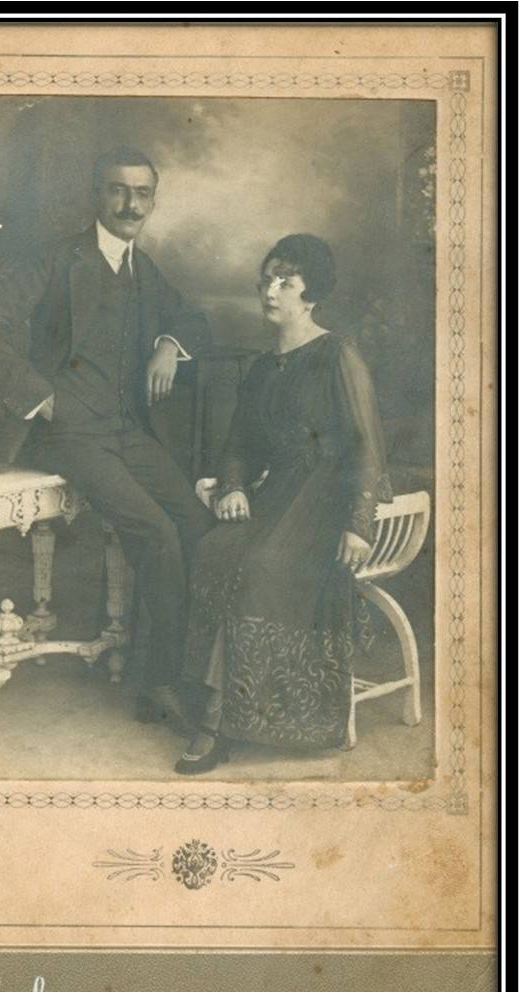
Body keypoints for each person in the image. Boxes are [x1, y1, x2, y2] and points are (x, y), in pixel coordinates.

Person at [0, 146, 215, 732]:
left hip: (126, 430)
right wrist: (39, 396)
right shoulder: (56, 259)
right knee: (155, 533)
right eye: (118, 190)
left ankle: (191, 674)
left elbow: (192, 318)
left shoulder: (142, 268)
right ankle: (165, 687)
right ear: (96, 195)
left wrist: (168, 344)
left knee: (197, 527)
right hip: (67, 432)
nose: (130, 205)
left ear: (153, 200)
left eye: (142, 193)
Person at [175, 233, 392, 774]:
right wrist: (233, 486)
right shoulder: (262, 368)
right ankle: (218, 699)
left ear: (310, 294)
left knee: (260, 565)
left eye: (285, 282)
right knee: (213, 550)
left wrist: (358, 524)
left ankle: (218, 721)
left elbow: (366, 445)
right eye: (266, 279)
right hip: (278, 494)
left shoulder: (337, 356)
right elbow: (238, 445)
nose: (269, 291)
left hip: (328, 499)